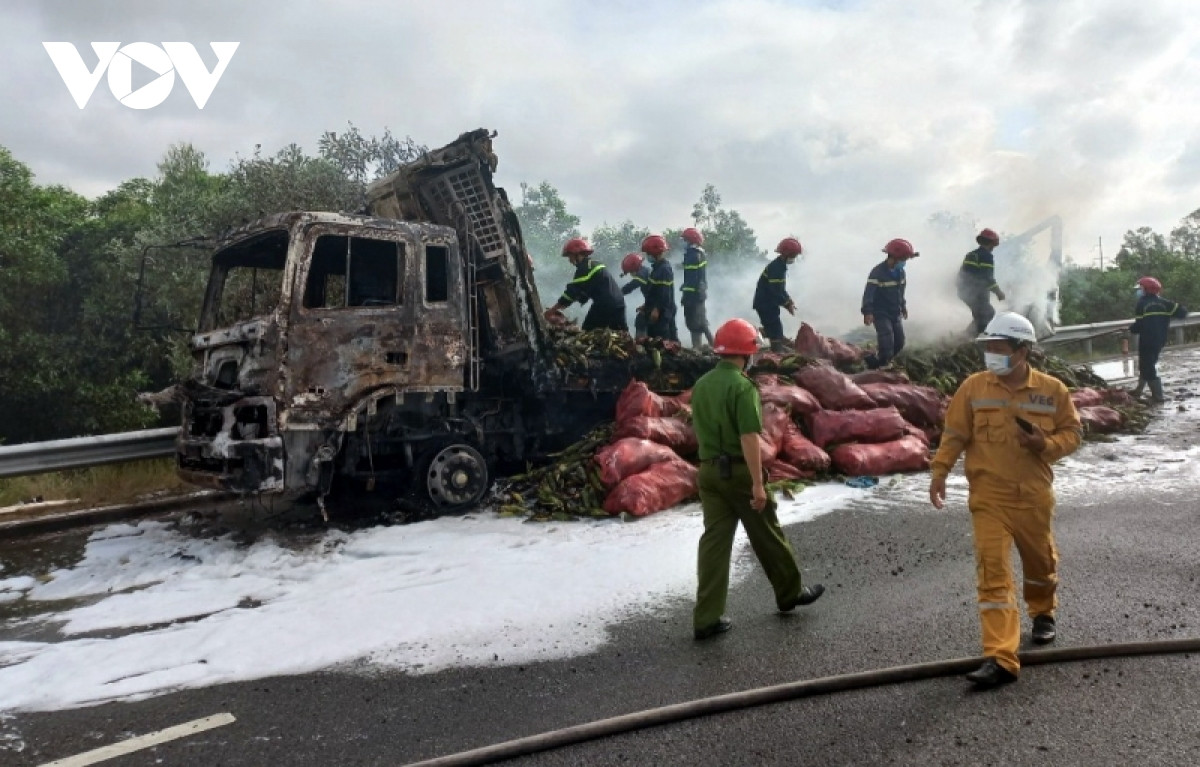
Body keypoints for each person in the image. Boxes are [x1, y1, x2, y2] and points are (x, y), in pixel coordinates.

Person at [928, 312, 1081, 688]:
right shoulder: (974, 388)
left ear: (1022, 350)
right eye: (988, 348)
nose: (991, 355)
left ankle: (1043, 611)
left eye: (999, 348)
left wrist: (1045, 444)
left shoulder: (1052, 390)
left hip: (1032, 496)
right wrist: (939, 472)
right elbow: (954, 434)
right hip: (988, 497)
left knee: (1039, 563)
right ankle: (1001, 656)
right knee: (992, 573)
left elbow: (1073, 433)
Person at [691, 318, 825, 640]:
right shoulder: (742, 386)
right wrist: (757, 484)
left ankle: (706, 618)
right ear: (747, 353)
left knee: (714, 544)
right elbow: (749, 437)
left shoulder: (702, 384)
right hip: (739, 472)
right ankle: (790, 593)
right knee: (767, 533)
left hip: (708, 472)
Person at [544, 237, 627, 332]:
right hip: (619, 303)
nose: (569, 260)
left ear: (577, 254)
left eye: (570, 256)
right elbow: (586, 290)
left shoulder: (584, 268)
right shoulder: (594, 264)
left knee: (587, 331)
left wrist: (552, 310)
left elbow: (571, 293)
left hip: (605, 305)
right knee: (622, 333)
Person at [1129, 276, 1188, 404]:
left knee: (1147, 366)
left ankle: (1158, 397)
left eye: (1141, 288)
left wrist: (1131, 328)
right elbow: (1183, 312)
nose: (1139, 291)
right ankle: (1139, 390)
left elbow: (1138, 326)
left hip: (1146, 340)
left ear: (1146, 290)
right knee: (1147, 364)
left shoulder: (1142, 304)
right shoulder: (1165, 303)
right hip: (1160, 339)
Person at [862, 238, 918, 368]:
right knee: (887, 340)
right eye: (903, 259)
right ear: (893, 257)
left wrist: (903, 306)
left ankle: (878, 361)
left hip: (895, 312)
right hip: (880, 312)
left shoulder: (901, 272)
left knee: (899, 342)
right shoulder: (877, 272)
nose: (904, 262)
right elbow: (868, 293)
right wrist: (867, 312)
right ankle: (881, 364)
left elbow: (900, 292)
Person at [753, 237, 801, 352]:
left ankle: (758, 335)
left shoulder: (780, 266)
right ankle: (777, 353)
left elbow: (780, 289)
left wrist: (789, 300)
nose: (794, 258)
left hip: (769, 303)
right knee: (776, 331)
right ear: (786, 254)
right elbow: (775, 291)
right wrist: (786, 304)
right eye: (793, 255)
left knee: (772, 328)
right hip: (765, 304)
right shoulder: (776, 268)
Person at [957, 228, 1006, 336]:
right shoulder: (986, 256)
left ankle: (964, 337)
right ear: (991, 243)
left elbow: (964, 274)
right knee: (987, 314)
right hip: (974, 292)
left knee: (981, 315)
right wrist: (998, 292)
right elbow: (987, 278)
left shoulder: (972, 254)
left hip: (965, 291)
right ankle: (976, 338)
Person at [680, 227, 714, 349]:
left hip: (693, 295)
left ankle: (698, 348)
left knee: (695, 323)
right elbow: (697, 276)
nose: (683, 242)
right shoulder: (699, 253)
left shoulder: (692, 256)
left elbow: (692, 279)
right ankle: (711, 346)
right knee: (701, 322)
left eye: (684, 240)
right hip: (699, 293)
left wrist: (686, 295)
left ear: (690, 240)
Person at [640, 234, 678, 341]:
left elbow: (664, 293)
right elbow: (654, 290)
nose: (647, 256)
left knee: (662, 341)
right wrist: (646, 305)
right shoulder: (657, 268)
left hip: (663, 312)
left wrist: (656, 309)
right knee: (656, 340)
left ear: (655, 253)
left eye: (648, 253)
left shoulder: (664, 269)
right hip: (658, 309)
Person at [620, 252, 652, 337]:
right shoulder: (645, 271)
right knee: (641, 319)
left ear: (634, 268)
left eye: (630, 272)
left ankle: (641, 342)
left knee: (641, 321)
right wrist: (646, 305)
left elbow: (631, 285)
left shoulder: (642, 274)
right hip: (655, 303)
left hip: (658, 306)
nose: (630, 274)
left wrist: (618, 293)